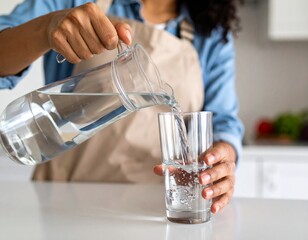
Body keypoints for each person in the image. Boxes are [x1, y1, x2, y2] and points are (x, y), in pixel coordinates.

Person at [0, 0, 244, 214]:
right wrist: (46, 28)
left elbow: (223, 122)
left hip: (151, 210)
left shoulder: (212, 35)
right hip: (62, 201)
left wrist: (223, 157)